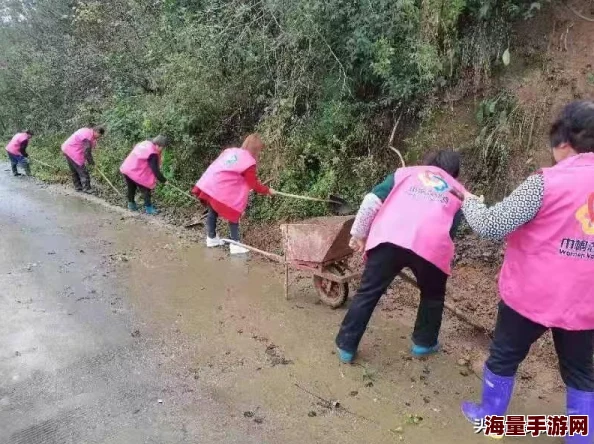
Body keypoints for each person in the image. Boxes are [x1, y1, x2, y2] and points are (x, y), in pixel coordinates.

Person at [460, 100, 594, 442]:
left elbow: (493, 224)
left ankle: (491, 421)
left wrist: (471, 204)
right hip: (584, 302)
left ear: (564, 142)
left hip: (531, 295)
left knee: (505, 354)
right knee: (581, 373)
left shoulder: (544, 183)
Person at [335, 150, 466, 363]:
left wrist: (358, 235)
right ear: (455, 172)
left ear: (428, 161)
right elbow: (451, 229)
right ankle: (424, 343)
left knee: (368, 292)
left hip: (390, 236)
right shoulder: (459, 191)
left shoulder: (405, 173)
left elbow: (371, 201)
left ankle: (346, 346)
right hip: (431, 245)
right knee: (433, 295)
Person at [192, 133, 275, 255]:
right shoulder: (249, 162)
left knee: (213, 210)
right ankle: (235, 244)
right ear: (256, 149)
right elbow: (253, 184)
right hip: (221, 187)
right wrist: (267, 190)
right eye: (259, 150)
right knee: (234, 210)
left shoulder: (231, 151)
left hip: (210, 182)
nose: (260, 154)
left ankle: (211, 238)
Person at [120, 135, 170, 215]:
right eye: (162, 148)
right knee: (146, 188)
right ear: (157, 145)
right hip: (135, 171)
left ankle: (131, 205)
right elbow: (155, 170)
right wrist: (164, 180)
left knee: (131, 188)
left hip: (128, 167)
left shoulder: (145, 143)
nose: (162, 150)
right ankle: (149, 209)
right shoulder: (152, 153)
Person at [61, 126, 105, 193]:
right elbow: (87, 152)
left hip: (67, 149)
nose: (99, 137)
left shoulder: (87, 131)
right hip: (73, 152)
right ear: (97, 132)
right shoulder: (88, 136)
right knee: (83, 171)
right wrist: (92, 163)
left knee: (74, 171)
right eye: (100, 135)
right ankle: (87, 189)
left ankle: (78, 187)